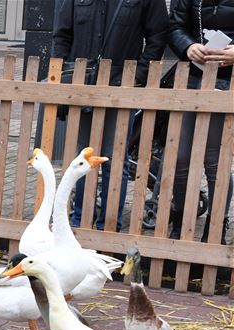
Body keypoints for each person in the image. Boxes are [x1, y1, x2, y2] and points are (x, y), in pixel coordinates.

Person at [53, 0, 169, 231]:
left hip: (121, 85)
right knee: (83, 157)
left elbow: (158, 35)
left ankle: (109, 227)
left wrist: (139, 74)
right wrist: (64, 72)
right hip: (82, 84)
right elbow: (62, 34)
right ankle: (79, 223)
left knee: (115, 160)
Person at [166, 0, 233, 243]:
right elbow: (174, 26)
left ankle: (215, 230)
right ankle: (180, 223)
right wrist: (188, 46)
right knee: (180, 158)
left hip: (228, 82)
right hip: (191, 78)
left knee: (216, 161)